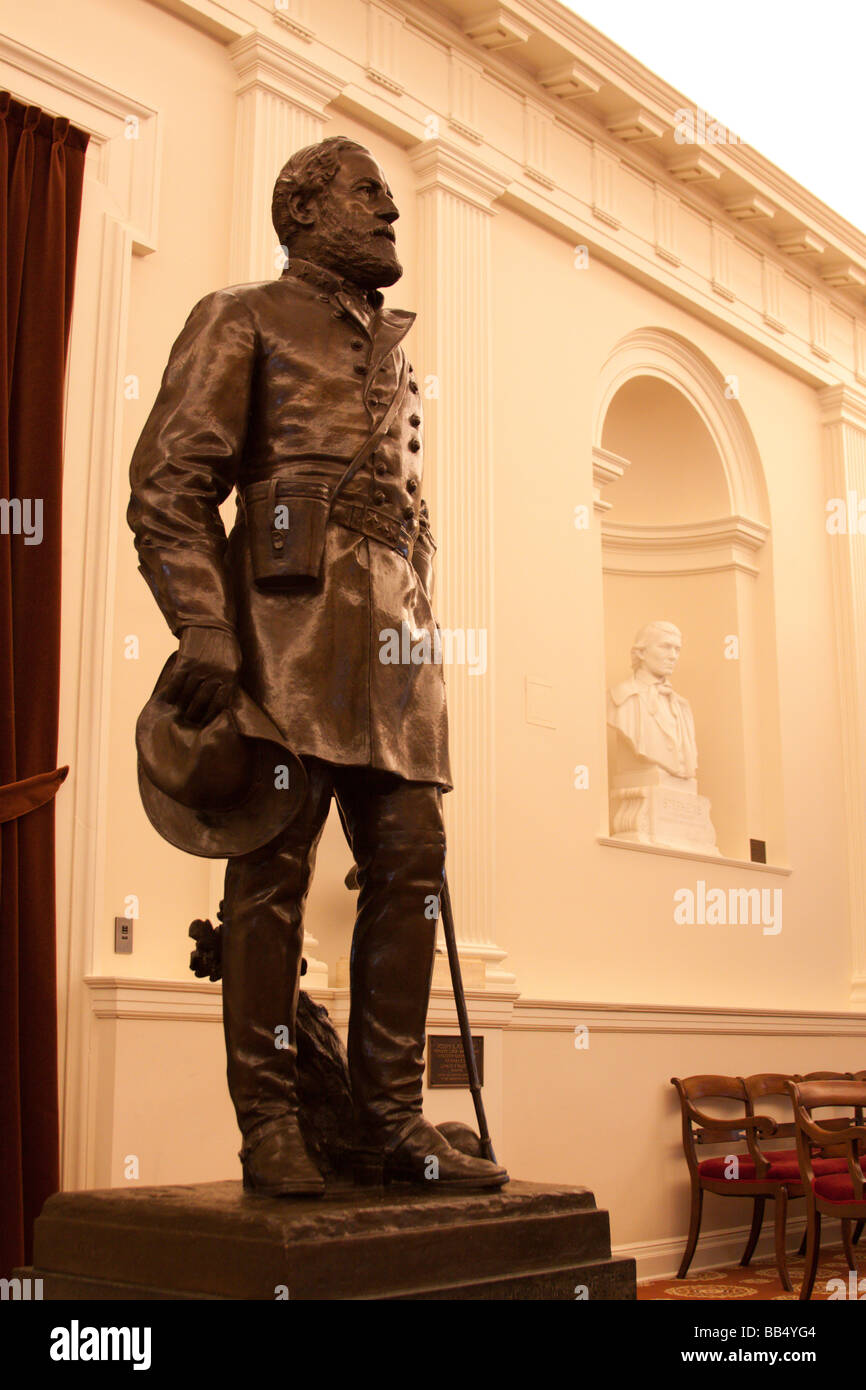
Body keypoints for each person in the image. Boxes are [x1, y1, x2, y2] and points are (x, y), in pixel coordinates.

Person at [128, 137, 507, 1195]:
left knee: (411, 864)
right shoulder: (239, 314)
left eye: (389, 194)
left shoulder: (390, 349)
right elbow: (168, 483)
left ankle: (388, 1118)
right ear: (300, 211)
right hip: (280, 639)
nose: (390, 209)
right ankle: (272, 1123)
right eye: (365, 193)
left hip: (394, 648)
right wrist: (203, 623)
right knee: (271, 870)